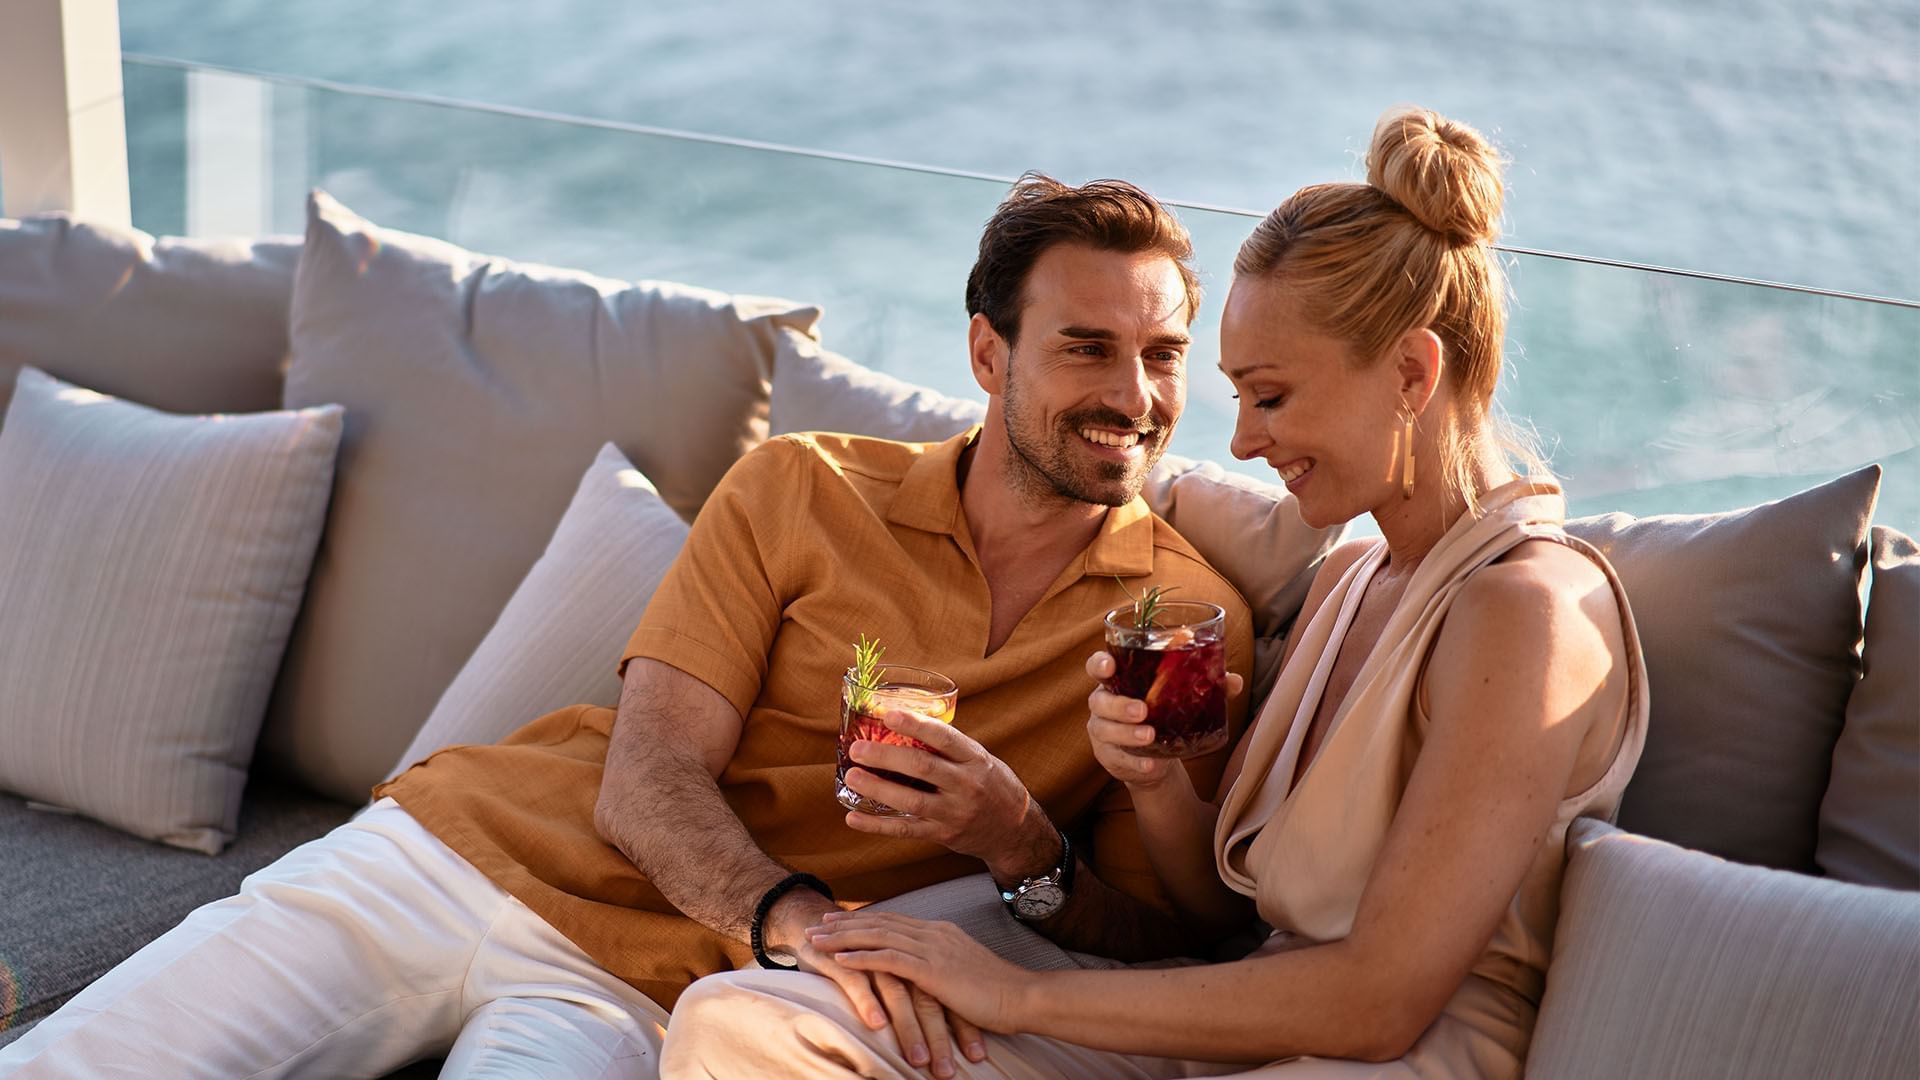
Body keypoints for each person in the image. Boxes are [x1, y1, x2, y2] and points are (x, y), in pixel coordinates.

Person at [0, 176, 1255, 1079]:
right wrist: (799, 925)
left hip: (645, 995)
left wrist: (1011, 834)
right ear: (990, 353)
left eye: (1163, 354)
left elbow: (1168, 942)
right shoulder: (803, 485)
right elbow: (648, 774)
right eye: (1087, 348)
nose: (1134, 397)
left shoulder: (1184, 619)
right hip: (454, 858)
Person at [659, 106, 1650, 1078]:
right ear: (986, 352)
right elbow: (1220, 924)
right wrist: (1158, 784)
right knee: (740, 1023)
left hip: (1379, 1054)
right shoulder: (1352, 577)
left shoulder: (1526, 610)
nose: (1243, 442)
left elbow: (1381, 1002)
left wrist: (1016, 993)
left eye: (1271, 396)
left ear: (1410, 373)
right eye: (1235, 396)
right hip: (1229, 1024)